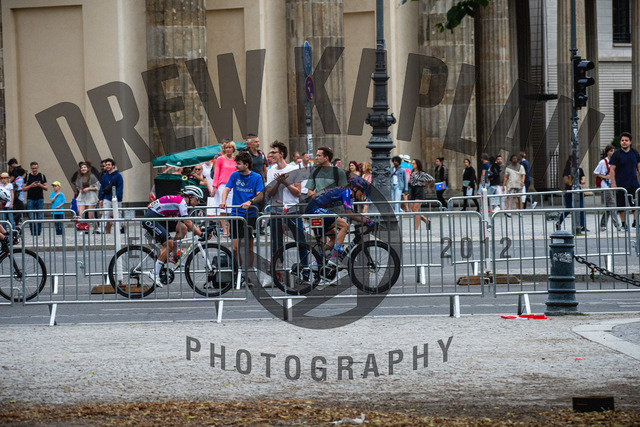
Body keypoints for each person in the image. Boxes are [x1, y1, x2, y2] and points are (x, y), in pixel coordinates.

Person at [143, 185, 207, 287]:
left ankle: (173, 254)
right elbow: (188, 222)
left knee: (182, 228)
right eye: (198, 199)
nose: (199, 202)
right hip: (151, 219)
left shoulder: (180, 201)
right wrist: (201, 234)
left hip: (159, 218)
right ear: (190, 197)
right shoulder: (182, 202)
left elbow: (150, 205)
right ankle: (155, 273)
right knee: (169, 244)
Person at [304, 177, 376, 267]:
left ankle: (317, 263)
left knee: (334, 237)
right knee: (344, 226)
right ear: (355, 188)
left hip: (315, 209)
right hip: (314, 209)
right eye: (362, 191)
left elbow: (352, 212)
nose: (363, 194)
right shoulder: (346, 192)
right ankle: (334, 258)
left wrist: (364, 220)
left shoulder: (350, 195)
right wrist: (367, 220)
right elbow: (348, 213)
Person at [220, 152, 265, 277]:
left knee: (249, 248)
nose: (236, 166)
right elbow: (226, 189)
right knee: (235, 248)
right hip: (236, 215)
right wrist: (223, 201)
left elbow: (260, 195)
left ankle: (248, 273)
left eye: (238, 164)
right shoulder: (235, 175)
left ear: (246, 165)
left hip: (250, 215)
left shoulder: (256, 177)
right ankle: (239, 272)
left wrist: (250, 202)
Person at [265, 141, 306, 279]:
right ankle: (278, 274)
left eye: (274, 152)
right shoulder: (271, 171)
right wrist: (278, 182)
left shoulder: (294, 170)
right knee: (276, 244)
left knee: (301, 241)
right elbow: (270, 193)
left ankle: (305, 271)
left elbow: (298, 193)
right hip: (276, 211)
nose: (271, 155)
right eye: (271, 152)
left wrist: (285, 182)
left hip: (292, 211)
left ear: (281, 154)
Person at [609, 132, 640, 230]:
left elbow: (639, 167)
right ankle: (623, 224)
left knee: (636, 204)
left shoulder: (635, 153)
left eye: (626, 140)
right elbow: (612, 169)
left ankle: (635, 222)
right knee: (621, 205)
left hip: (634, 183)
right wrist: (613, 183)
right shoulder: (616, 154)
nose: (624, 142)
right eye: (622, 140)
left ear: (630, 142)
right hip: (621, 184)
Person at [211, 140, 237, 237]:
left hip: (233, 186)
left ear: (233, 149)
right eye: (226, 148)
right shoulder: (220, 159)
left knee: (231, 209)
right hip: (222, 185)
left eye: (230, 147)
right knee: (222, 209)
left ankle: (230, 229)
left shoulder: (236, 159)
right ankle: (225, 230)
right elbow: (216, 172)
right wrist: (214, 186)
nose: (228, 149)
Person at [556, 156, 586, 233]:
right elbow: (566, 181)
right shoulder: (567, 170)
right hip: (569, 191)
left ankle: (582, 226)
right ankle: (559, 222)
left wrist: (580, 182)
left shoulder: (579, 170)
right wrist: (573, 182)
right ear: (570, 161)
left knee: (581, 209)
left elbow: (583, 180)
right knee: (568, 209)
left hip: (578, 191)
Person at [593, 144, 620, 231]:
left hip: (612, 186)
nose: (613, 152)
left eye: (614, 151)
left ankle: (603, 225)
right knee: (613, 205)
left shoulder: (615, 162)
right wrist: (605, 177)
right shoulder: (602, 162)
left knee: (608, 208)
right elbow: (596, 172)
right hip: (605, 187)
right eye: (611, 151)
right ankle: (617, 224)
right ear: (607, 152)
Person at [98, 158, 124, 234]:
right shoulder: (104, 176)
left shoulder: (118, 176)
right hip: (107, 197)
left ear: (113, 166)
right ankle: (101, 229)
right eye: (106, 165)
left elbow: (120, 187)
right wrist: (101, 198)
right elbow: (102, 187)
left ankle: (118, 228)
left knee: (117, 213)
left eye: (109, 165)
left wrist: (116, 197)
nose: (107, 166)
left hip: (116, 198)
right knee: (105, 213)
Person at [74, 162, 101, 234]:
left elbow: (98, 187)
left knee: (90, 215)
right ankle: (83, 229)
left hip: (91, 196)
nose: (83, 169)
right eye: (82, 167)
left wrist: (89, 188)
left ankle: (96, 228)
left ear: (87, 168)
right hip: (82, 196)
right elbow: (77, 187)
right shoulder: (79, 178)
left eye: (84, 167)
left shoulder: (92, 177)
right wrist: (80, 190)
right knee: (81, 214)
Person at [23, 161, 48, 236]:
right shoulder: (27, 177)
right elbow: (24, 188)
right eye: (33, 168)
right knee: (31, 217)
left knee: (39, 216)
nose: (34, 170)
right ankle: (33, 232)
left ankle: (38, 232)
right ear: (31, 168)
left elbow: (46, 188)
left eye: (35, 168)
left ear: (38, 168)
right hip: (30, 198)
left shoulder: (42, 176)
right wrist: (31, 185)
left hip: (40, 198)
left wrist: (40, 185)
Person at [409, 159, 434, 230]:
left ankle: (416, 228)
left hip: (419, 190)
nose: (412, 164)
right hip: (413, 190)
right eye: (412, 163)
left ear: (417, 165)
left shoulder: (421, 173)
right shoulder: (412, 172)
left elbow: (431, 179)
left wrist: (425, 184)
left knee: (415, 209)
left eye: (414, 163)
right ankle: (426, 220)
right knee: (413, 210)